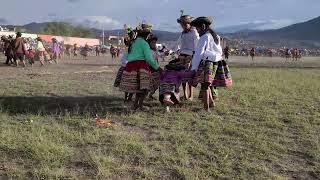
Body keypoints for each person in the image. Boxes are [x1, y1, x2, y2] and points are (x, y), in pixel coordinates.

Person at [119, 23, 161, 111]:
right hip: (141, 66)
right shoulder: (144, 43)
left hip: (130, 66)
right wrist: (158, 68)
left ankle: (135, 105)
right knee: (144, 88)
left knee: (138, 88)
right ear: (146, 34)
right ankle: (140, 106)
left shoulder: (133, 42)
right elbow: (149, 58)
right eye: (148, 34)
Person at [190, 17, 223, 112]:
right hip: (215, 63)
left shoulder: (204, 37)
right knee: (208, 84)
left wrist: (194, 68)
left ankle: (206, 108)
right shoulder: (216, 36)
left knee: (204, 86)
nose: (197, 31)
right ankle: (211, 103)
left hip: (207, 63)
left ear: (203, 26)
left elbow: (198, 54)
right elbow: (219, 51)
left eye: (197, 29)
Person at [176, 14, 200, 101]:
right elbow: (179, 44)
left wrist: (194, 56)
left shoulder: (194, 32)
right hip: (182, 55)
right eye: (182, 24)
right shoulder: (182, 33)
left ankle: (191, 95)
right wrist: (178, 51)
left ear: (190, 24)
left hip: (191, 55)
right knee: (182, 75)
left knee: (189, 75)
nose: (183, 26)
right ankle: (185, 95)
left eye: (185, 24)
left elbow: (196, 45)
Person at [147, 34, 161, 100]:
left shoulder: (155, 50)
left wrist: (165, 54)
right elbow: (151, 61)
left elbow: (159, 55)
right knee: (150, 84)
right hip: (150, 69)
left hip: (155, 69)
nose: (154, 44)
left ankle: (150, 95)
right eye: (152, 42)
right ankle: (146, 96)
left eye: (155, 42)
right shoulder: (148, 51)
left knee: (157, 83)